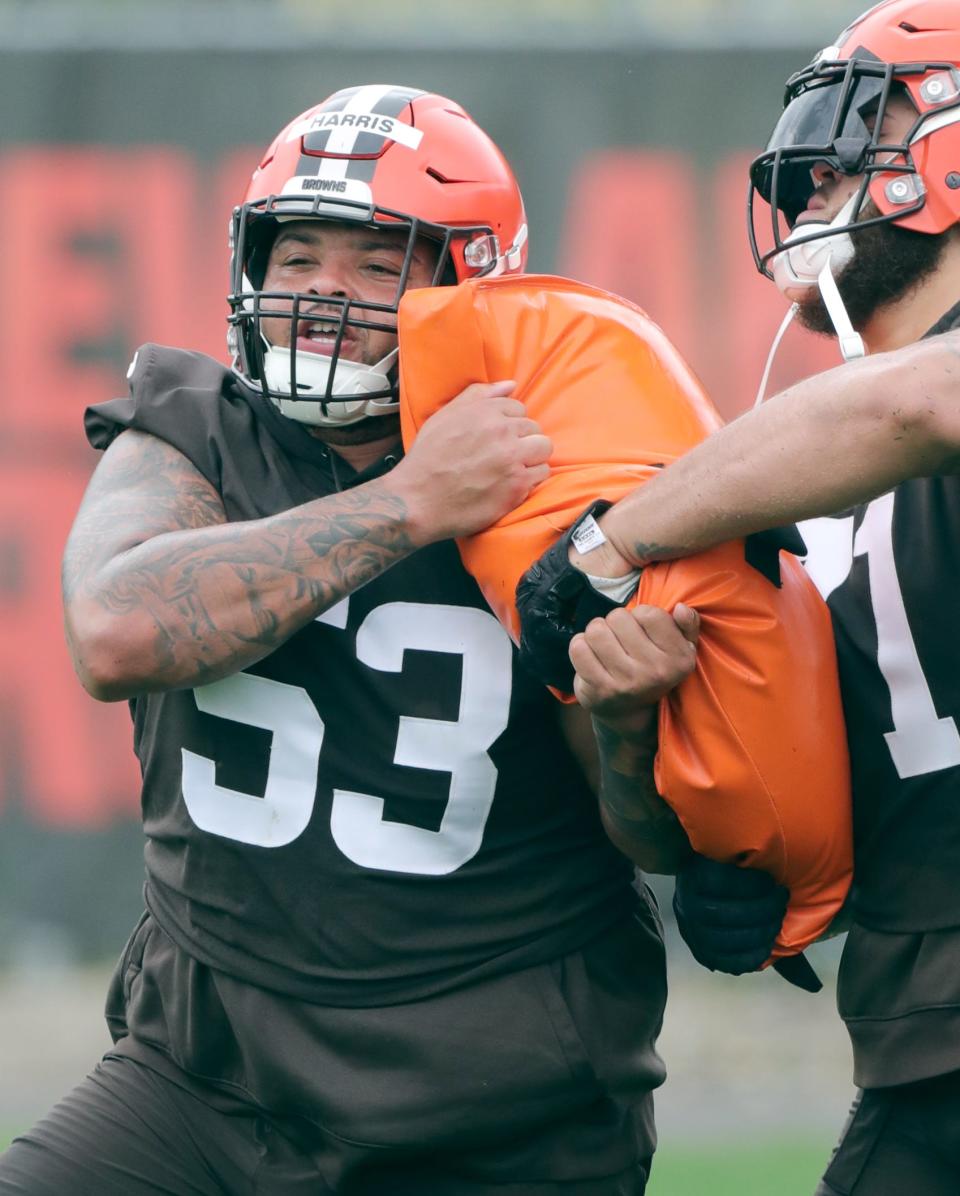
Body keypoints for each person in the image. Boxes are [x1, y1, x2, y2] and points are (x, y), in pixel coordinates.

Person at [0, 85, 710, 1196]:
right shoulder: (197, 428)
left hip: (497, 1105)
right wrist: (408, 504)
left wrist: (624, 724)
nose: (325, 295)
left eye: (378, 265)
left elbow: (654, 839)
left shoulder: (564, 471)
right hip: (203, 1076)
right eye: (299, 258)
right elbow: (116, 628)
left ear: (471, 283)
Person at [523, 3, 960, 1192]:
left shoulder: (867, 422)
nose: (816, 191)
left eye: (852, 152)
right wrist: (696, 811)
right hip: (925, 1046)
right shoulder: (807, 489)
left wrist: (611, 538)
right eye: (808, 171)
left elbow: (921, 404)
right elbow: (690, 819)